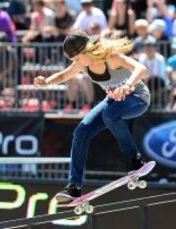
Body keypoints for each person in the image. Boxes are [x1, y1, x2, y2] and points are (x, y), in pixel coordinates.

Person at [34, 30, 150, 202]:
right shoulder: (83, 64)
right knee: (81, 132)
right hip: (113, 102)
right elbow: (64, 75)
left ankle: (135, 160)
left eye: (78, 58)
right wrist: (46, 82)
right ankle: (74, 187)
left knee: (110, 115)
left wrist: (127, 85)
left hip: (138, 98)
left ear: (88, 51)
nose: (76, 62)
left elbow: (142, 69)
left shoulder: (111, 57)